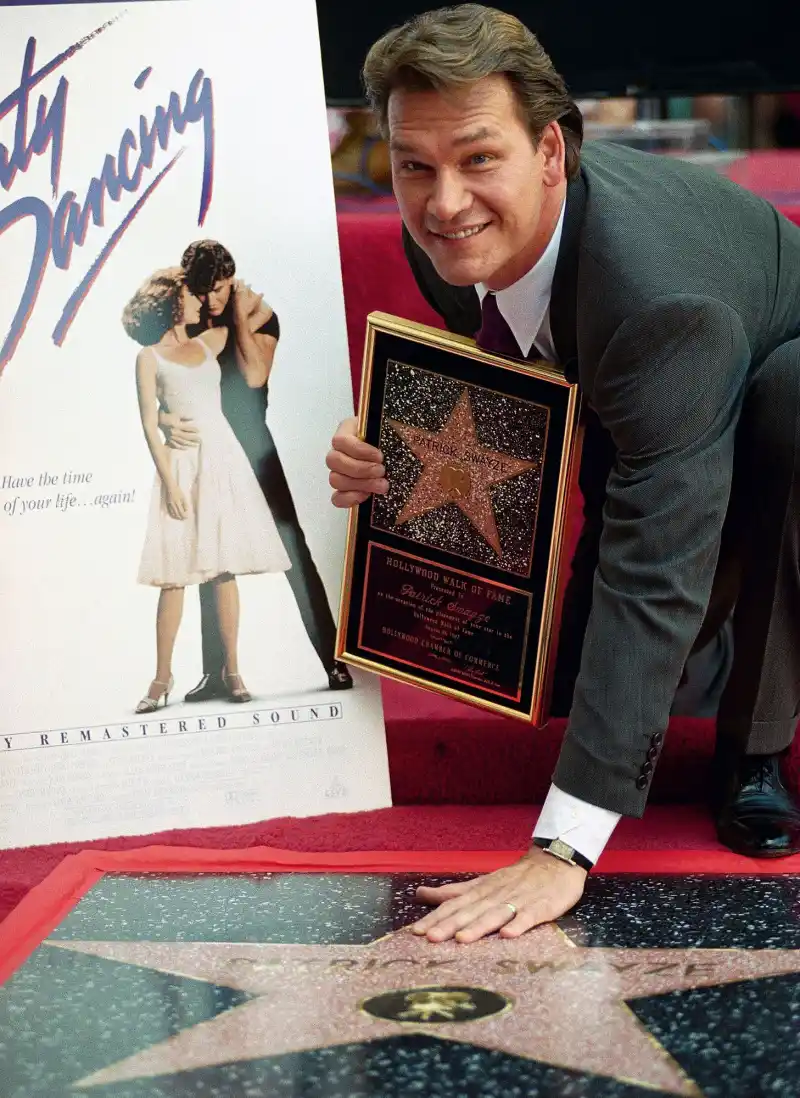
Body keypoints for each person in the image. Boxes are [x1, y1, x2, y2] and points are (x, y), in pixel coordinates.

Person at [325, 4, 800, 944]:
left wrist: (564, 849)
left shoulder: (666, 307)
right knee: (580, 676)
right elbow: (508, 383)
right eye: (413, 166)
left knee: (786, 421)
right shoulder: (450, 248)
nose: (443, 201)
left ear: (552, 151)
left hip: (773, 363)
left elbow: (656, 566)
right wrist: (391, 449)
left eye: (477, 158)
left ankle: (757, 746)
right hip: (644, 375)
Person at [160, 240, 353, 700]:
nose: (211, 301)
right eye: (202, 291)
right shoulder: (185, 318)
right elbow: (162, 379)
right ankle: (215, 674)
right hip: (203, 447)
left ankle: (333, 661)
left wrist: (241, 318)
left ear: (233, 281)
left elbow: (253, 378)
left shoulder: (260, 316)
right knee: (208, 556)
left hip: (251, 447)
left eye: (220, 289)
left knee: (293, 553)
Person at [123, 268, 291, 712]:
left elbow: (242, 316)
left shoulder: (209, 341)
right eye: (189, 294)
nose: (199, 300)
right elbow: (145, 422)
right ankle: (161, 678)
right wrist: (170, 475)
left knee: (224, 569)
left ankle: (232, 669)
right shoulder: (148, 357)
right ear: (172, 303)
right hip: (181, 466)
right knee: (174, 576)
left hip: (221, 460)